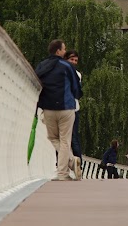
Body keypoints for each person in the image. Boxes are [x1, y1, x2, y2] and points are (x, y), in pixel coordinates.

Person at [35, 39, 83, 181]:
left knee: (53, 138)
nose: (65, 51)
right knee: (65, 140)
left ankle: (67, 167)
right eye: (63, 49)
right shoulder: (67, 66)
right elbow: (76, 87)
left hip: (48, 107)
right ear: (58, 51)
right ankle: (65, 171)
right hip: (66, 107)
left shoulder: (42, 66)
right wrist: (76, 96)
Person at [64, 50, 82, 164]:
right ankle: (63, 163)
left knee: (73, 137)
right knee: (64, 138)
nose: (74, 62)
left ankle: (78, 163)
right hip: (65, 108)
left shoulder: (77, 75)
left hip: (73, 108)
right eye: (72, 59)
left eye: (75, 60)